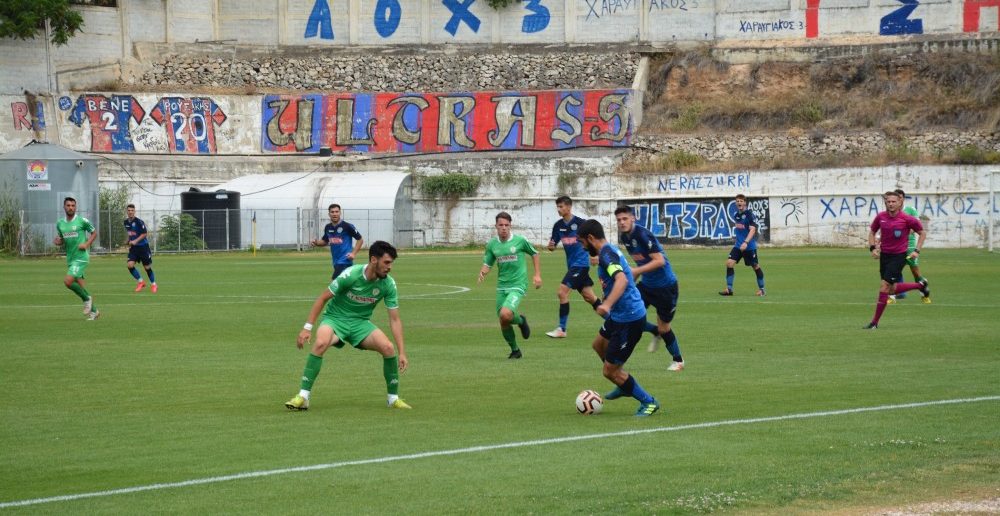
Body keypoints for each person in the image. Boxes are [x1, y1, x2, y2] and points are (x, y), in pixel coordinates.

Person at [285, 240, 410, 410]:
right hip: (335, 319)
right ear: (374, 260)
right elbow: (322, 298)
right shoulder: (351, 275)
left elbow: (395, 320)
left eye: (391, 263)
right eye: (387, 262)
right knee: (320, 343)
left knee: (388, 348)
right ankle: (303, 397)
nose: (390, 267)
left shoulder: (388, 284)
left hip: (360, 324)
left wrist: (402, 352)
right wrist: (307, 328)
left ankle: (393, 399)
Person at [576, 219, 660, 417]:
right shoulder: (609, 251)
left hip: (629, 319)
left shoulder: (606, 255)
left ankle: (648, 402)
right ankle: (623, 383)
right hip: (620, 316)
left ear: (590, 238)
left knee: (609, 371)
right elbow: (625, 275)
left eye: (582, 242)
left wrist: (606, 304)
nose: (582, 247)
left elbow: (621, 279)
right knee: (598, 345)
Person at [614, 206, 685, 371]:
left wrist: (636, 271)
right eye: (618, 220)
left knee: (664, 328)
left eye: (625, 219)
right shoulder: (625, 237)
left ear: (633, 218)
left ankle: (678, 360)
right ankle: (653, 331)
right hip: (646, 286)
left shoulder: (642, 235)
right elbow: (639, 264)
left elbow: (659, 261)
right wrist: (628, 285)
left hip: (666, 287)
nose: (622, 222)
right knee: (630, 314)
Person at [478, 212, 541, 359]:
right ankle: (515, 350)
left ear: (510, 226)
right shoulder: (492, 244)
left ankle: (520, 321)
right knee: (503, 320)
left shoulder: (520, 241)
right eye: (501, 225)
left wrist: (537, 275)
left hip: (518, 284)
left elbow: (535, 253)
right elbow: (488, 262)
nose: (504, 228)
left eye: (507, 225)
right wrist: (483, 271)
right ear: (496, 226)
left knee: (505, 314)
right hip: (501, 286)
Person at [864, 191, 930, 329]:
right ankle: (920, 285)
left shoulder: (907, 218)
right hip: (885, 257)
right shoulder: (881, 217)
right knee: (891, 290)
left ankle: (874, 323)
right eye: (888, 201)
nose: (891, 204)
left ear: (900, 202)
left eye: (894, 201)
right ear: (885, 203)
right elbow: (872, 232)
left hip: (899, 256)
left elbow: (922, 233)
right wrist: (872, 248)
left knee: (884, 287)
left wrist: (917, 250)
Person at [545, 195, 601, 338]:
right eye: (557, 207)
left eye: (561, 206)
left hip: (581, 265)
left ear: (569, 207)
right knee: (590, 297)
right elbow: (552, 245)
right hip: (572, 266)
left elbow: (594, 241)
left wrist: (595, 255)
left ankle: (562, 329)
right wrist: (551, 246)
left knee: (562, 292)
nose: (559, 209)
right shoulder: (558, 226)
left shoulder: (581, 224)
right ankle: (615, 321)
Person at [54, 196, 100, 320]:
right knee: (81, 287)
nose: (71, 208)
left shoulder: (82, 221)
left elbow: (94, 233)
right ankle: (94, 312)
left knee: (68, 281)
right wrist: (58, 242)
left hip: (81, 257)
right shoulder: (60, 224)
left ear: (76, 207)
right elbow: (62, 239)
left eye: (73, 205)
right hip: (71, 258)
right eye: (68, 205)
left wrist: (86, 244)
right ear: (64, 207)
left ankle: (87, 299)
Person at [888, 188, 930, 304]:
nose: (898, 200)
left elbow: (916, 226)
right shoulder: (891, 212)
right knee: (893, 271)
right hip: (896, 247)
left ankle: (923, 291)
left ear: (903, 199)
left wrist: (904, 230)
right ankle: (891, 297)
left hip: (909, 246)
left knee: (915, 272)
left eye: (900, 198)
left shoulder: (910, 210)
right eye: (896, 198)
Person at [719, 194, 766, 297]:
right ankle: (729, 289)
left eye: (741, 201)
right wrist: (740, 242)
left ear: (745, 202)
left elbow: (753, 230)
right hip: (738, 246)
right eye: (737, 201)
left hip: (748, 246)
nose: (739, 203)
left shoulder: (749, 215)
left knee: (755, 266)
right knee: (729, 263)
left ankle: (762, 290)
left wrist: (746, 242)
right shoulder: (736, 215)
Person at [312, 203, 363, 280]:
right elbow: (325, 241)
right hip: (336, 261)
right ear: (329, 214)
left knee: (334, 283)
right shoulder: (328, 227)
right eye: (332, 212)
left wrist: (353, 253)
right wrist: (316, 243)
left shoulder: (347, 226)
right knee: (345, 284)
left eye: (336, 211)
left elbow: (360, 239)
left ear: (340, 213)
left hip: (345, 261)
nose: (334, 214)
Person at [124, 204, 157, 293]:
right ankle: (141, 282)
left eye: (132, 210)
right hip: (134, 249)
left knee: (147, 267)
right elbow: (130, 233)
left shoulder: (139, 222)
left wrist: (135, 241)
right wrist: (128, 240)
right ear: (127, 211)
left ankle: (153, 284)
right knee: (130, 265)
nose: (130, 212)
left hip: (143, 247)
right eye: (129, 210)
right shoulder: (126, 222)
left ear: (134, 211)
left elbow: (144, 234)